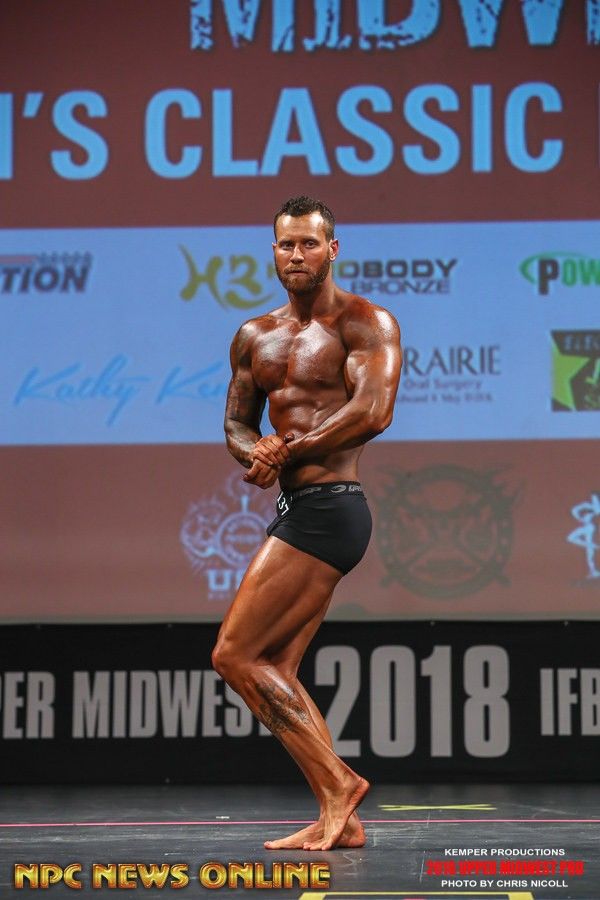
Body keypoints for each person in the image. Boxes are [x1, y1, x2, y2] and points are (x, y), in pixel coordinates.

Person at [212, 196, 401, 851]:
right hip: (298, 507)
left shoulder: (365, 322)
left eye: (310, 243)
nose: (297, 255)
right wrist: (257, 451)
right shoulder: (254, 335)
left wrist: (287, 451)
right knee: (275, 668)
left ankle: (340, 783)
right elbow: (236, 424)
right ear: (273, 252)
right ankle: (337, 816)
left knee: (234, 654)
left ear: (333, 249)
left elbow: (373, 412)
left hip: (331, 510)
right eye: (287, 244)